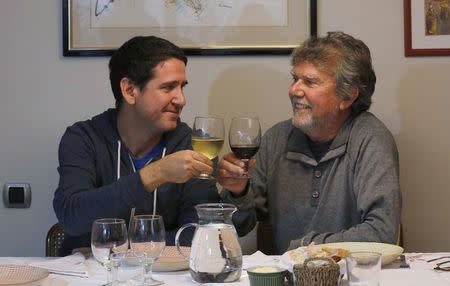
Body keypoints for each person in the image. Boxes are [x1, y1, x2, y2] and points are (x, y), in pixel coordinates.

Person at [217, 31, 401, 254]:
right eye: (295, 79)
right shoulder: (277, 138)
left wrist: (306, 248)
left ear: (348, 97)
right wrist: (238, 192)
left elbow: (381, 233)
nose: (294, 90)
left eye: (310, 82)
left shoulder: (371, 139)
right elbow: (239, 226)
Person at [53, 36, 220, 255]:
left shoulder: (192, 145)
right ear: (130, 90)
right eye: (168, 87)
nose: (181, 99)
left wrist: (112, 246)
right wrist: (157, 172)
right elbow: (73, 218)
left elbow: (197, 235)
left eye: (182, 87)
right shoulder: (83, 138)